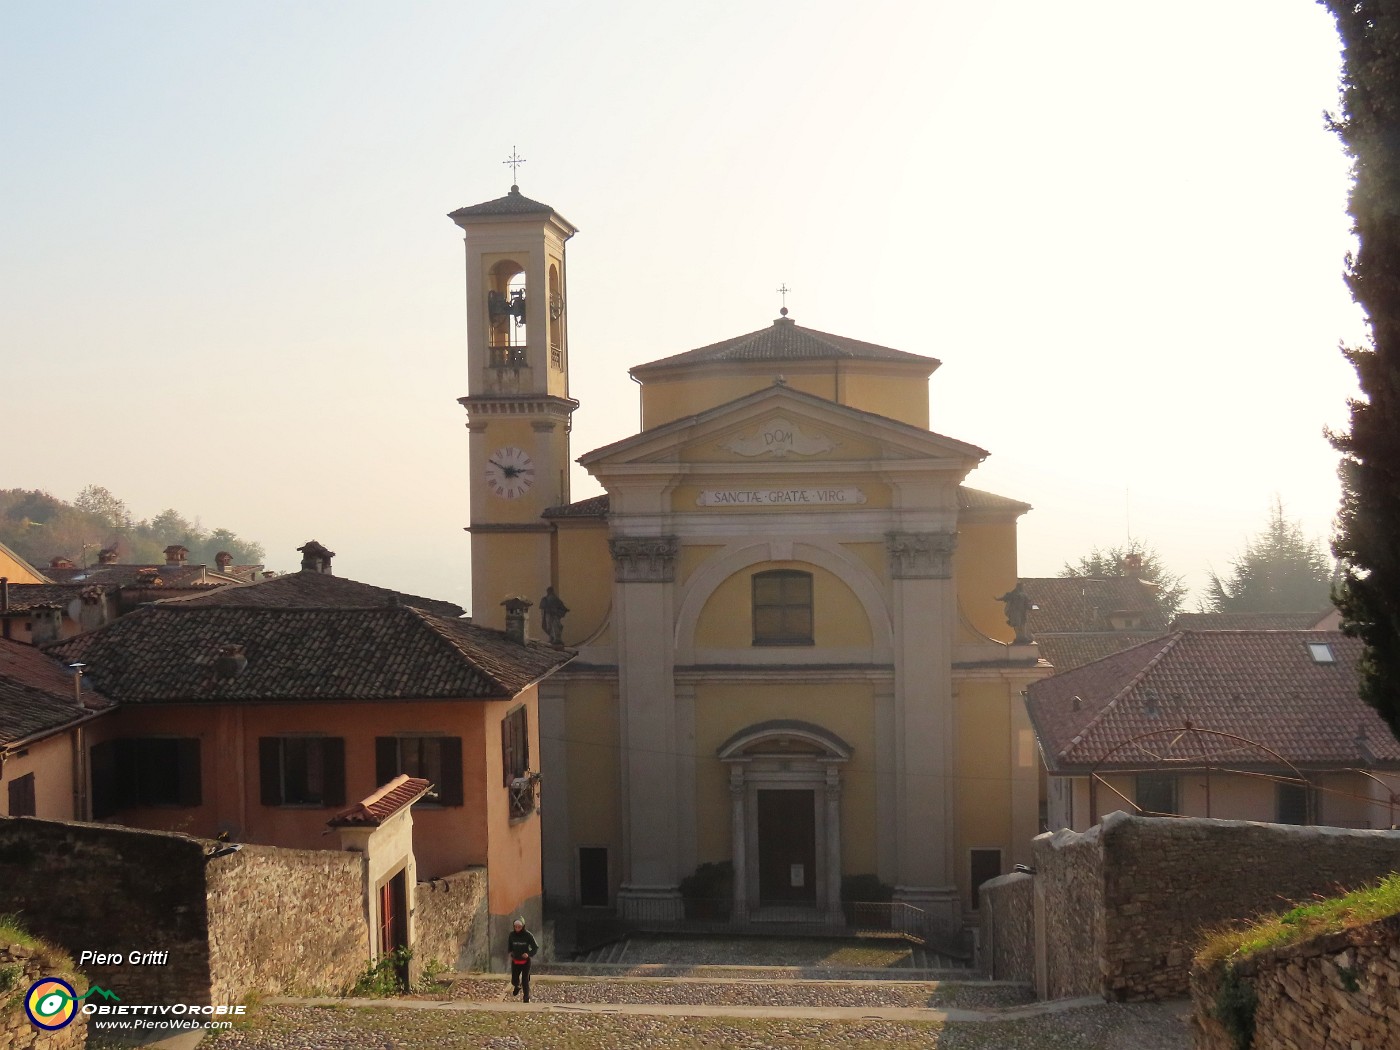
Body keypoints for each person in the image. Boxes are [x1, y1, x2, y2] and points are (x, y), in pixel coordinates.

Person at [507, 917, 538, 1002]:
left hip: (525, 962)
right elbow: (510, 946)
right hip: (515, 961)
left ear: (523, 926)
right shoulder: (511, 935)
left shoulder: (528, 935)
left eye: (519, 927)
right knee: (514, 980)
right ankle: (517, 986)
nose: (517, 929)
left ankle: (526, 998)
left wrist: (528, 954)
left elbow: (535, 947)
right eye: (515, 927)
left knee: (525, 980)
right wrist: (510, 953)